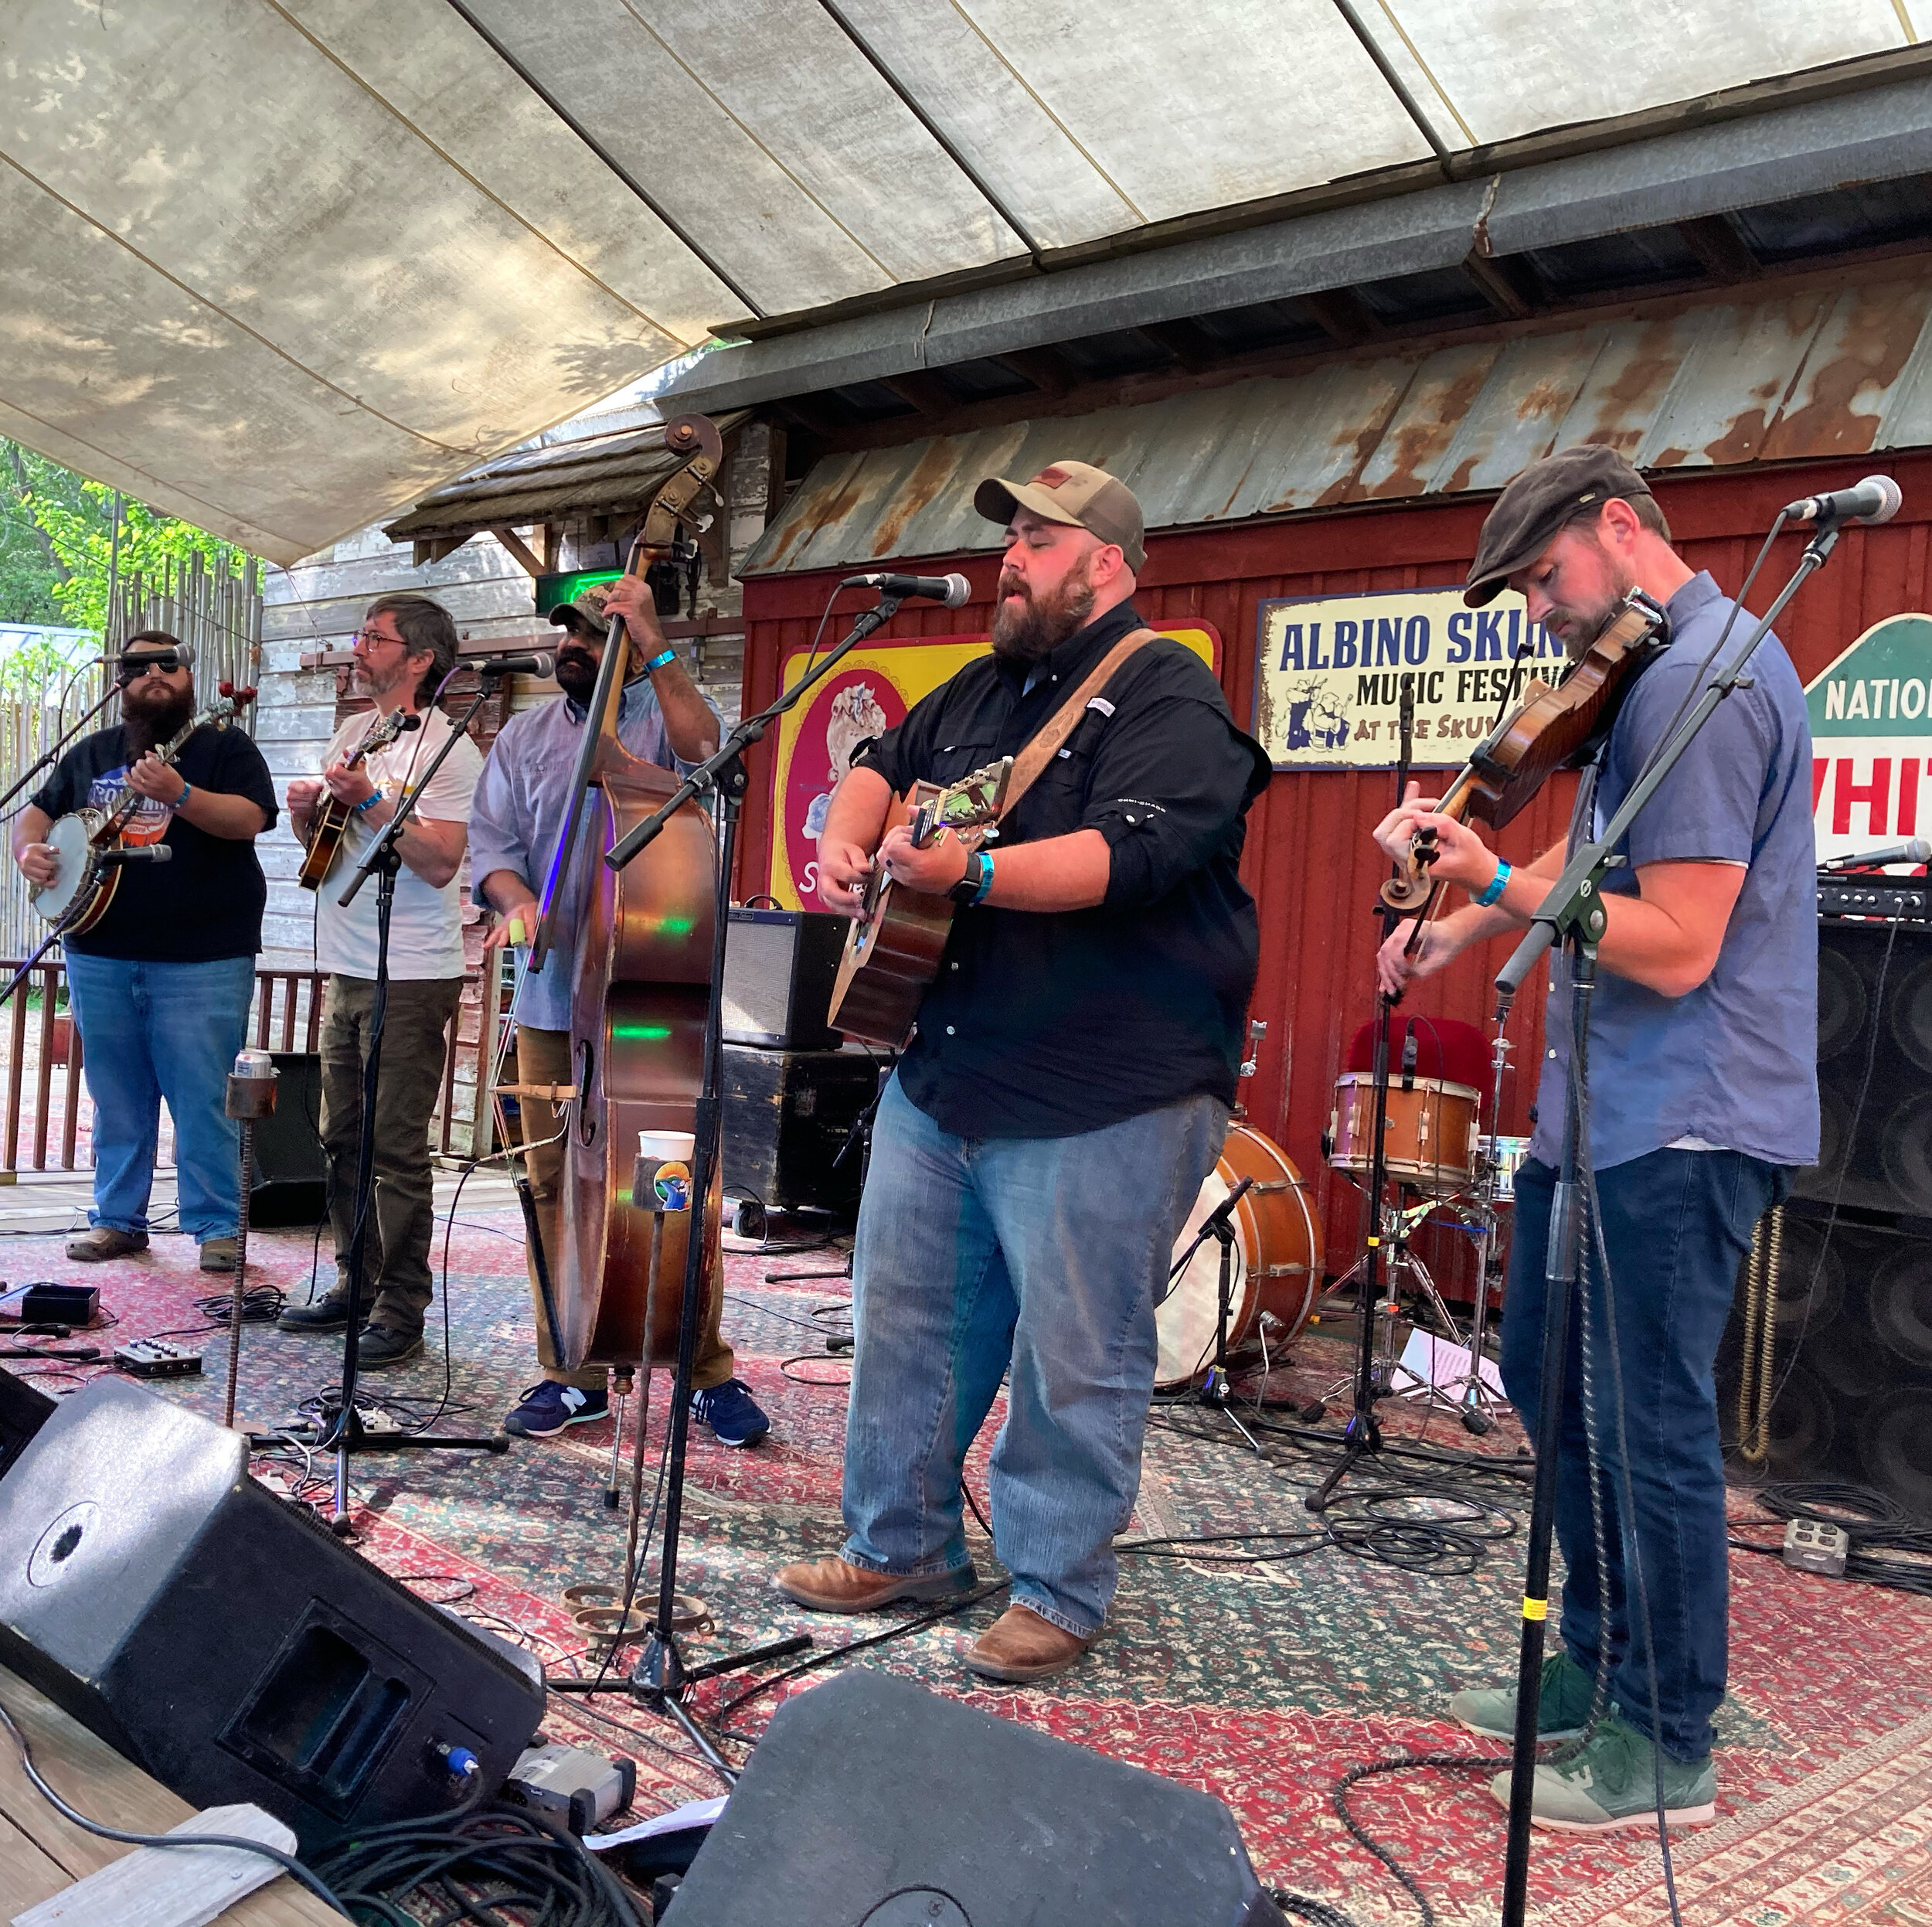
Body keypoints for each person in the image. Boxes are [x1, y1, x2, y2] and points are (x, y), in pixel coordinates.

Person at [1372, 444, 1818, 1831]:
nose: (1540, 617)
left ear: (1621, 527)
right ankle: (1596, 1661)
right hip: (1605, 1112)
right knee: (1554, 1385)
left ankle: (1664, 1736)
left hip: (1683, 1117)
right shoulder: (1647, 675)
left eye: (1545, 579)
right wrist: (1469, 916)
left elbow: (1680, 944)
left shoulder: (1705, 675)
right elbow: (1605, 845)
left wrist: (1493, 871)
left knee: (1647, 1430)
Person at [773, 460, 1269, 1684]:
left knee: (1074, 1347)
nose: (1012, 557)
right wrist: (845, 848)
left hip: (1110, 1082)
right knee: (906, 1320)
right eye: (1011, 537)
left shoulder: (1169, 691)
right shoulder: (981, 686)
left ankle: (1057, 1586)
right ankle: (902, 1546)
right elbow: (881, 763)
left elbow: (1132, 859)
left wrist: (975, 877)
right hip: (947, 1068)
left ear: (1106, 563)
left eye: (1039, 539)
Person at [469, 579, 771, 1447]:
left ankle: (700, 1366)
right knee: (551, 1184)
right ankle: (572, 1368)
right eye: (567, 631)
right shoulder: (523, 736)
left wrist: (654, 637)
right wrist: (516, 899)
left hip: (648, 994)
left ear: (631, 644)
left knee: (670, 1185)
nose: (575, 646)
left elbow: (711, 754)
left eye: (597, 635)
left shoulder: (660, 719)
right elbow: (491, 849)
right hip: (551, 996)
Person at [12, 630, 276, 1272]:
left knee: (203, 1096)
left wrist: (179, 794)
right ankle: (117, 1219)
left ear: (190, 675)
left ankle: (217, 1228)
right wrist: (31, 852)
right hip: (100, 950)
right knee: (116, 1092)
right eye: (137, 665)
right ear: (120, 680)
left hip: (203, 955)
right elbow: (37, 813)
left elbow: (248, 820)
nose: (155, 673)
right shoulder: (92, 751)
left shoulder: (224, 745)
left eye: (169, 663)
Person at [278, 595, 481, 1367]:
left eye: (375, 638)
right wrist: (308, 817)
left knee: (395, 1148)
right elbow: (328, 860)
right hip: (348, 965)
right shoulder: (355, 732)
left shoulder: (448, 749)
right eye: (362, 634)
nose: (357, 648)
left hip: (412, 971)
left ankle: (402, 1308)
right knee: (340, 1139)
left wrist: (370, 800)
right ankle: (354, 1284)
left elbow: (435, 863)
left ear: (419, 659)